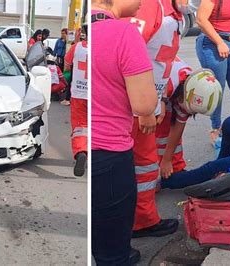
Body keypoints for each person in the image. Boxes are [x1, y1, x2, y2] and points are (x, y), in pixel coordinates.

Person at [92, 0, 158, 264]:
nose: (142, 3)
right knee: (112, 251)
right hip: (110, 155)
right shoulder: (123, 32)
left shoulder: (82, 33)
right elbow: (144, 104)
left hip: (87, 147)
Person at [125, 0, 193, 239]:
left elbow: (159, 63)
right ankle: (133, 223)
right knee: (134, 165)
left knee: (144, 166)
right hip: (133, 105)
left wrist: (161, 99)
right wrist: (145, 108)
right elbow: (129, 51)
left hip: (145, 102)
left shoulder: (171, 13)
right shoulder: (152, 7)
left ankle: (142, 220)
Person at [196, 0, 230, 145]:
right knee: (217, 89)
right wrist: (220, 42)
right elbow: (201, 19)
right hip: (212, 43)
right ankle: (216, 129)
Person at [65, 23, 88, 177]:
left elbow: (66, 67)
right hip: (98, 95)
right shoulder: (105, 46)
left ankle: (81, 151)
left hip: (79, 94)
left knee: (80, 126)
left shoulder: (77, 47)